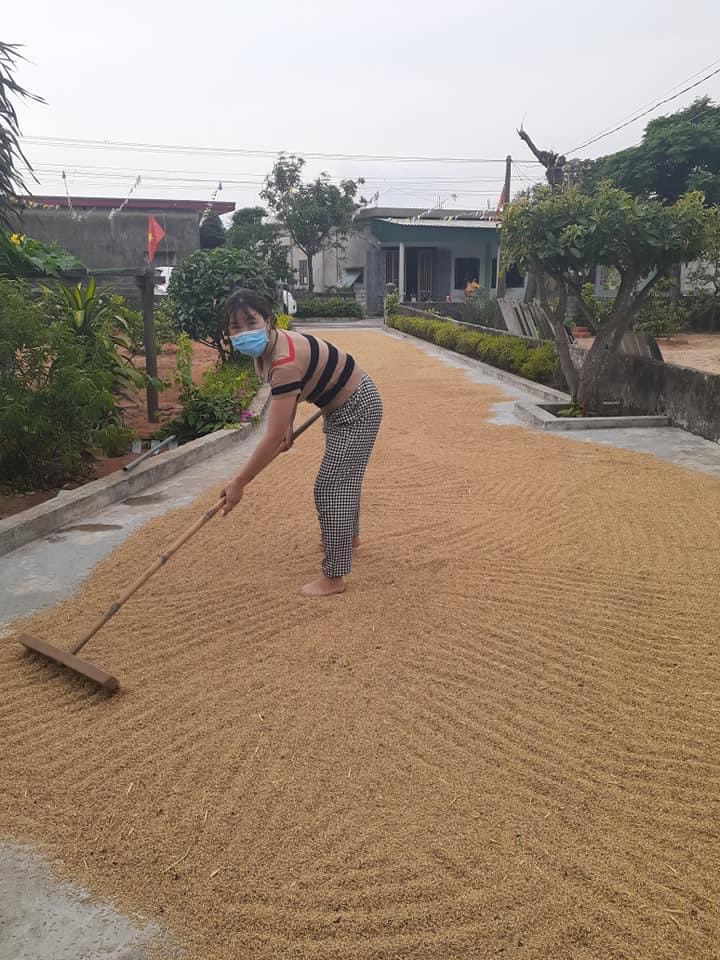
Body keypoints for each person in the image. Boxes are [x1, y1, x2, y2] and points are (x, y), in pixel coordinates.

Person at [220, 289, 383, 598]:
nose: (244, 333)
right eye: (235, 327)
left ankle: (334, 577)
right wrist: (288, 423)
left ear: (268, 321)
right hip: (342, 405)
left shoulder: (283, 362)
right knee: (343, 480)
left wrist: (239, 483)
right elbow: (291, 396)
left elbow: (271, 437)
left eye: (251, 322)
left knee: (331, 487)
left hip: (357, 409)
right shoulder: (268, 350)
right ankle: (348, 538)